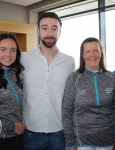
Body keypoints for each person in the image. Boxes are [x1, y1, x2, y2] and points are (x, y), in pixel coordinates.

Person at [21, 12, 75, 150]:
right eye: (45, 28)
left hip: (59, 132)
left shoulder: (69, 61)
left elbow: (71, 96)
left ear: (59, 32)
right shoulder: (23, 59)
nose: (49, 33)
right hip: (30, 131)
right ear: (38, 31)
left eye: (54, 28)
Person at [62, 37, 115, 150]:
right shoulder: (74, 78)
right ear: (83, 55)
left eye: (96, 50)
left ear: (101, 53)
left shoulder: (111, 77)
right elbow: (66, 112)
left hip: (107, 140)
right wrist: (70, 143)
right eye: (88, 51)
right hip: (82, 142)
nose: (92, 55)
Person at [0, 33, 26, 150]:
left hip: (17, 138)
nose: (8, 54)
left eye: (13, 50)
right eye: (3, 49)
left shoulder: (16, 73)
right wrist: (13, 126)